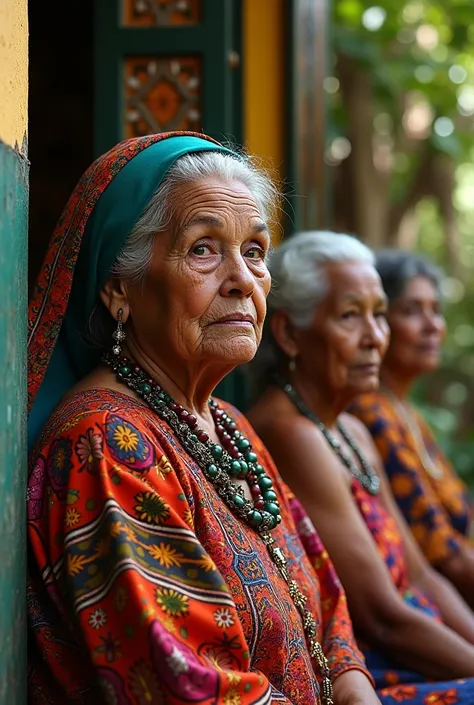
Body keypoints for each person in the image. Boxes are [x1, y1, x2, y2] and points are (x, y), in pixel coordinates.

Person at [27, 133, 381, 705]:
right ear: (120, 289)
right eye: (203, 249)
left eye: (256, 251)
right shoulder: (105, 444)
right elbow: (187, 683)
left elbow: (328, 607)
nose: (243, 278)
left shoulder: (231, 427)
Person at [247, 230, 474, 704]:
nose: (375, 338)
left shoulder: (353, 432)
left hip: (424, 651)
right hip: (371, 674)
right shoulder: (290, 432)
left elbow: (421, 576)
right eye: (351, 317)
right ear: (289, 333)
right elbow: (381, 618)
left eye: (379, 315)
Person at [350, 250, 474, 607]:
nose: (432, 325)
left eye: (435, 310)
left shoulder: (407, 414)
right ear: (380, 323)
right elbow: (443, 557)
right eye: (411, 311)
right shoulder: (370, 412)